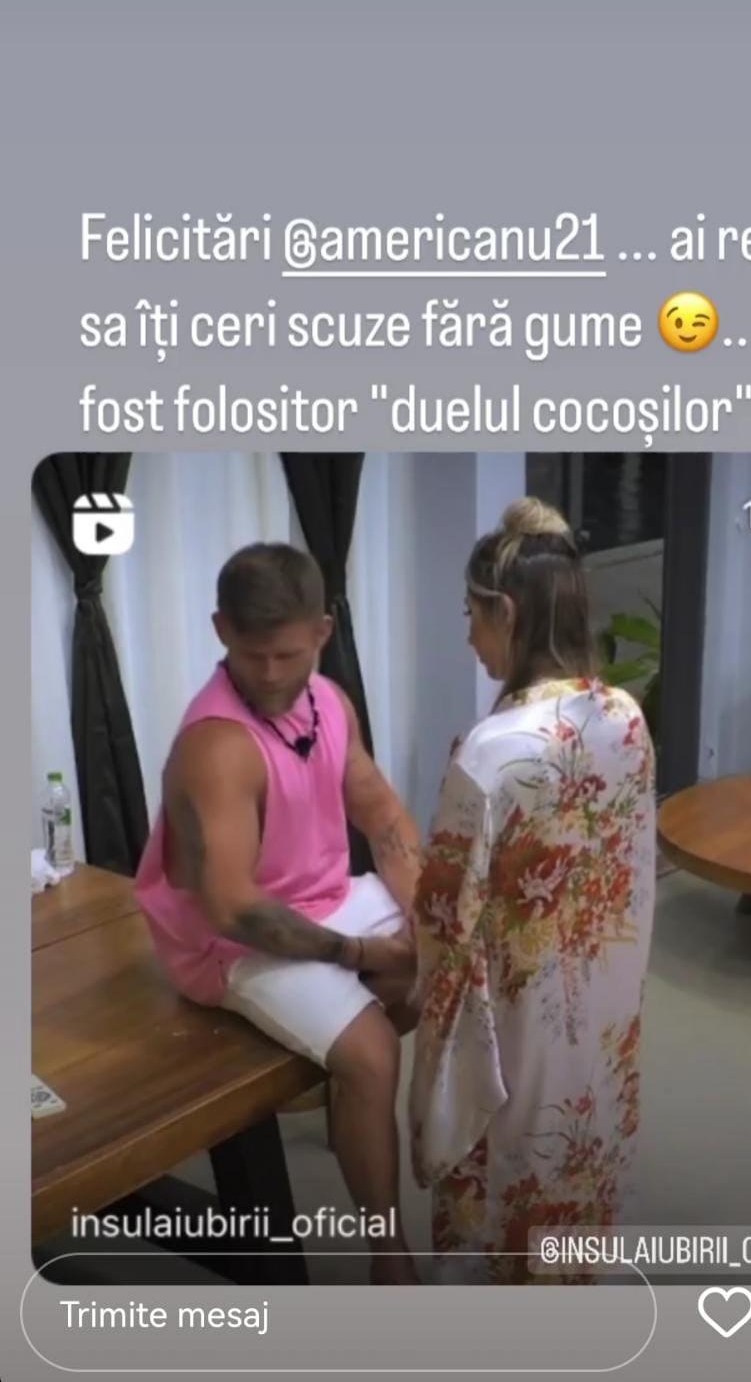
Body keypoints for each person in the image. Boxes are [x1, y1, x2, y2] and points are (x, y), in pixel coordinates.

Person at [135, 543, 422, 1284]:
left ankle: (352, 1097)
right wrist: (362, 955)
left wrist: (426, 922)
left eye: (287, 654)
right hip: (230, 942)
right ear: (220, 629)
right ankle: (389, 1254)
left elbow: (382, 814)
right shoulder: (217, 745)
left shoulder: (329, 701)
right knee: (373, 1055)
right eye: (251, 654)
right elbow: (233, 907)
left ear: (322, 632)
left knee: (456, 964)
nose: (268, 674)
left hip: (324, 899)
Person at [409, 498, 656, 1283]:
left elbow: (444, 917)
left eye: (472, 615)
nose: (469, 635)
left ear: (506, 613)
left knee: (515, 1155)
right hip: (603, 1000)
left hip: (518, 1016)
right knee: (583, 1137)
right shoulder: (625, 716)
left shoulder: (491, 750)